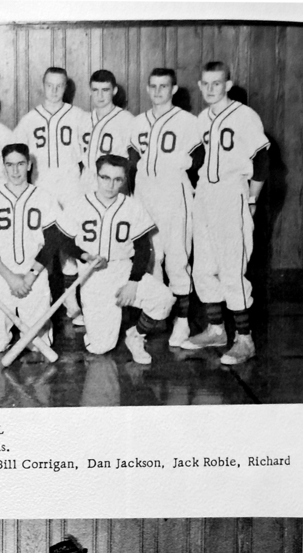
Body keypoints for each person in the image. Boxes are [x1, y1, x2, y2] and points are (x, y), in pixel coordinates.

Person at [180, 61, 270, 365]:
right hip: (206, 193)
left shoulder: (245, 115)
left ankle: (245, 339)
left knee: (232, 268)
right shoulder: (203, 117)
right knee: (204, 266)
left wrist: (252, 199)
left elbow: (261, 159)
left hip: (233, 193)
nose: (209, 89)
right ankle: (216, 329)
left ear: (228, 86)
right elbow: (201, 159)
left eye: (216, 83)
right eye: (204, 83)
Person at [57, 155, 175, 363]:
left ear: (124, 180)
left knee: (163, 298)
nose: (111, 185)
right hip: (94, 275)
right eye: (105, 178)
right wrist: (84, 255)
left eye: (117, 180)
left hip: (124, 269)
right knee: (101, 347)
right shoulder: (79, 204)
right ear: (96, 175)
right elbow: (63, 240)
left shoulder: (132, 206)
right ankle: (98, 328)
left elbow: (143, 248)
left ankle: (136, 335)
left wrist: (133, 282)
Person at [129, 68, 203, 348]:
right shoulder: (138, 122)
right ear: (148, 89)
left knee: (176, 256)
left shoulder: (188, 121)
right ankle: (157, 313)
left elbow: (199, 161)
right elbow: (132, 163)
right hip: (145, 193)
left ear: (173, 90)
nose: (158, 91)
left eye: (164, 86)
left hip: (174, 192)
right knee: (150, 255)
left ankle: (182, 321)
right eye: (154, 86)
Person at [12, 67, 88, 319]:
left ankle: (71, 301)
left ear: (66, 87)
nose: (54, 91)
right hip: (42, 185)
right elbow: (15, 158)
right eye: (50, 85)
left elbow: (88, 157)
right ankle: (38, 299)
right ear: (42, 86)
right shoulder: (29, 119)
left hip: (70, 183)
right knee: (40, 242)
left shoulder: (79, 116)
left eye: (60, 86)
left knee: (69, 243)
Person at [0, 143, 60, 357]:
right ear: (3, 167)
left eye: (20, 164)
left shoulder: (44, 197)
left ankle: (19, 320)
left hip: (35, 274)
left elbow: (52, 242)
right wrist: (10, 278)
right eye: (9, 165)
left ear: (29, 165)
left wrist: (30, 277)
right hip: (0, 274)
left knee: (36, 345)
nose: (15, 170)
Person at [80, 70, 135, 196]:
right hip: (87, 180)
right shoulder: (83, 119)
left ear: (114, 91)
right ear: (89, 91)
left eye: (105, 90)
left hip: (112, 182)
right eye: (95, 90)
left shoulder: (126, 119)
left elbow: (134, 161)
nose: (100, 96)